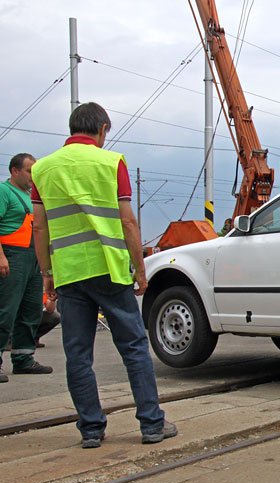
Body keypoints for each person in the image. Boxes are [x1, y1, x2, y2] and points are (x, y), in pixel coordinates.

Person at [31, 102, 177, 448]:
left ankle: (91, 429)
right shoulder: (112, 162)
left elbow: (39, 227)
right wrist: (140, 270)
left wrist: (46, 273)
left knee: (78, 353)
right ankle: (152, 424)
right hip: (109, 270)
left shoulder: (43, 169)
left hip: (68, 272)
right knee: (134, 347)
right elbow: (127, 221)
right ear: (102, 130)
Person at [0, 153, 53, 383]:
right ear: (15, 171)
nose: (33, 176)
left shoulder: (32, 196)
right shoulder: (4, 191)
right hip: (12, 256)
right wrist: (1, 256)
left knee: (30, 310)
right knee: (6, 311)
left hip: (32, 258)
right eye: (30, 171)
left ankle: (23, 359)